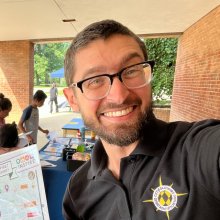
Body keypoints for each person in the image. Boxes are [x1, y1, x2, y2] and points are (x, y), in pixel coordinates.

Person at [62, 20, 220, 220]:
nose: (119, 96)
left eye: (131, 71)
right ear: (72, 99)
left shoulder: (196, 150)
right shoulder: (78, 191)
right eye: (95, 80)